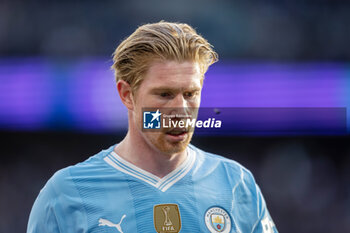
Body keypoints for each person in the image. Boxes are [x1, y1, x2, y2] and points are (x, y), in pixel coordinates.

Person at [27, 21, 278, 233]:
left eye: (190, 93)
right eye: (165, 94)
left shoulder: (237, 184)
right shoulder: (65, 194)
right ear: (127, 95)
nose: (180, 110)